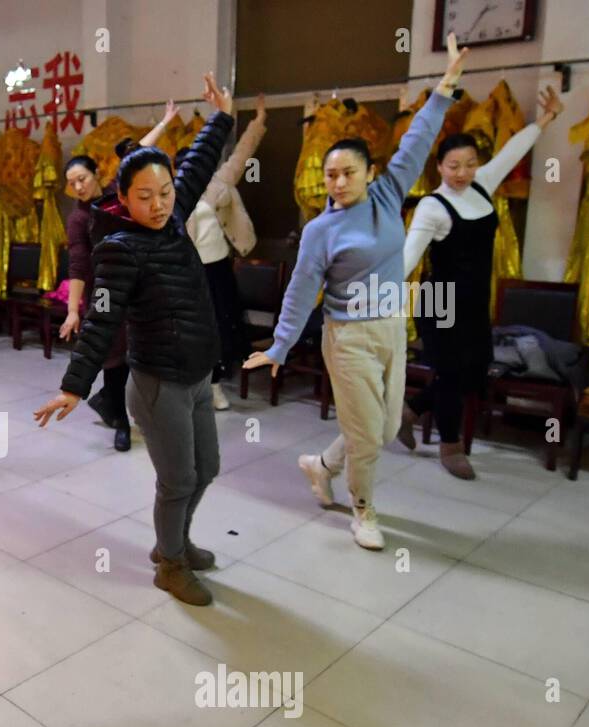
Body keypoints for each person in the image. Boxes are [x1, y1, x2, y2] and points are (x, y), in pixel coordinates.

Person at [243, 34, 468, 550]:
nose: (338, 183)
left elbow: (417, 142)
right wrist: (278, 345)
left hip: (391, 328)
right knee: (370, 437)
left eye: (348, 173)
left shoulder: (388, 197)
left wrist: (447, 84)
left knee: (385, 428)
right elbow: (301, 289)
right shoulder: (321, 230)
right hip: (346, 339)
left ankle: (320, 466)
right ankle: (363, 510)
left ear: (370, 173)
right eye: (330, 175)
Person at [35, 72, 237, 607]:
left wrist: (222, 116)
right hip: (157, 384)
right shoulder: (119, 248)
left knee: (207, 469)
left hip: (195, 374)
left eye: (165, 193)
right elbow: (102, 319)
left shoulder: (172, 217)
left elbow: (194, 164)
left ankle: (176, 543)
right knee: (178, 479)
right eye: (144, 196)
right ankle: (169, 563)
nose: (159, 203)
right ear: (122, 197)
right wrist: (75, 385)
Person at [398, 84, 564, 479]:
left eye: (469, 164)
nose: (462, 173)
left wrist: (546, 118)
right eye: (453, 166)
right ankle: (450, 446)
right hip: (439, 300)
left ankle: (410, 410)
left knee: (473, 372)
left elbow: (513, 151)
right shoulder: (431, 206)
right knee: (452, 373)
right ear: (439, 167)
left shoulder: (483, 185)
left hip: (472, 301)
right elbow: (407, 259)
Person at [175, 95, 267, 411]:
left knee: (218, 329)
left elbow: (243, 154)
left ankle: (214, 386)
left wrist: (259, 121)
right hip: (188, 273)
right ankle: (191, 386)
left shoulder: (218, 184)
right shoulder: (173, 195)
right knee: (191, 331)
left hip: (216, 269)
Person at [62, 152, 130, 450]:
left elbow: (134, 154)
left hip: (128, 284)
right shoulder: (78, 219)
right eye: (72, 183)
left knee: (129, 351)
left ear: (97, 174)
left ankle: (106, 400)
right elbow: (77, 265)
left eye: (82, 179)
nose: (78, 187)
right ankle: (122, 422)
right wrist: (72, 310)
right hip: (100, 292)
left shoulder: (115, 196)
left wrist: (165, 123)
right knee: (114, 354)